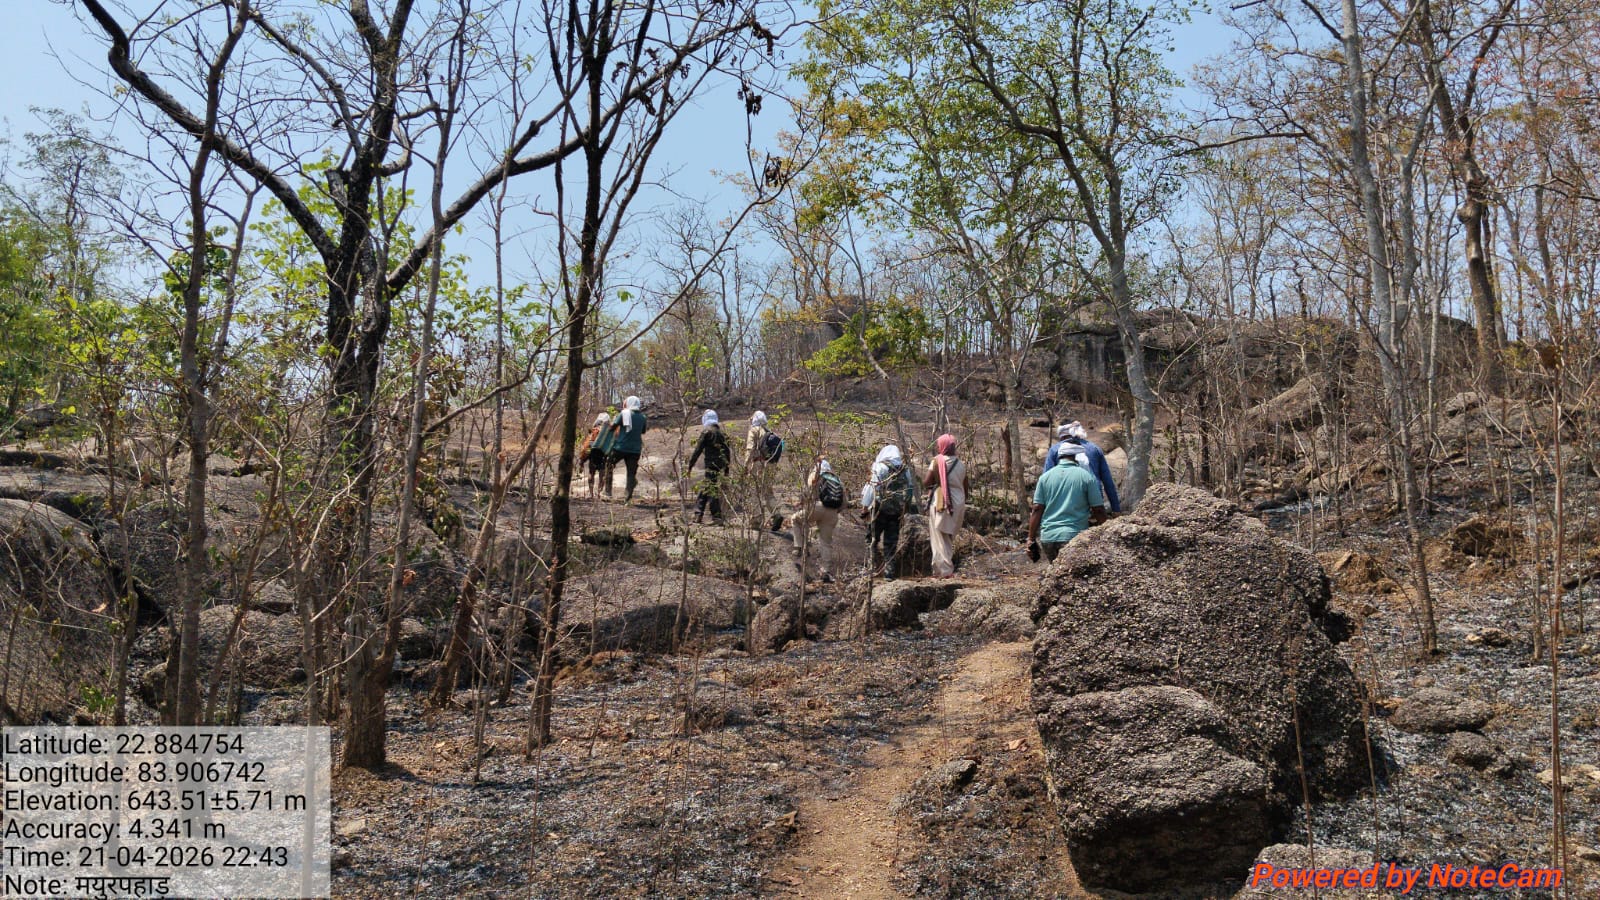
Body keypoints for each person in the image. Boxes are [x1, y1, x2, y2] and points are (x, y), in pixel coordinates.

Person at [1028, 444, 1107, 563]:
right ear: (1077, 457)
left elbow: (1037, 509)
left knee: (1056, 573)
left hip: (1048, 538)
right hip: (1073, 537)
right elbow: (1098, 510)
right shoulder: (1086, 477)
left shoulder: (1044, 478)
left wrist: (1031, 539)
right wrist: (1107, 531)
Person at [861, 444, 915, 581]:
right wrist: (905, 508)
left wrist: (865, 507)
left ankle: (870, 569)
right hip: (896, 511)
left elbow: (870, 488)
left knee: (871, 540)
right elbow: (909, 490)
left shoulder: (880, 467)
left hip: (879, 510)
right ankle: (889, 574)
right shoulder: (904, 470)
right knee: (891, 544)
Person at [1043, 420, 1121, 513]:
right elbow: (1108, 482)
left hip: (1066, 505)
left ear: (1062, 434)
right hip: (1094, 505)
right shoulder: (1094, 449)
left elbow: (1046, 481)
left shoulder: (1055, 450)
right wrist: (1116, 509)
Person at [921, 433, 967, 578]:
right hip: (958, 502)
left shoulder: (937, 462)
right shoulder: (961, 464)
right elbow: (966, 487)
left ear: (942, 446)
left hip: (942, 502)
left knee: (939, 537)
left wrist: (939, 482)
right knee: (947, 537)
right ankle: (940, 569)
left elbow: (927, 482)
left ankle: (945, 571)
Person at [793, 457, 843, 581]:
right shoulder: (837, 480)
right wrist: (834, 511)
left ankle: (799, 547)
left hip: (818, 506)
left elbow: (807, 493)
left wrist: (802, 503)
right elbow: (844, 503)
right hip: (833, 513)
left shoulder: (815, 475)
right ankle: (825, 571)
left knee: (795, 519)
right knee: (825, 542)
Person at [685, 409, 730, 524]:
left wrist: (690, 466)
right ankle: (698, 514)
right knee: (706, 487)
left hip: (711, 465)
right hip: (719, 466)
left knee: (711, 489)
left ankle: (717, 516)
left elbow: (697, 450)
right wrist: (726, 469)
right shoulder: (722, 434)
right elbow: (727, 452)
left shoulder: (706, 432)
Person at [605, 395, 648, 503]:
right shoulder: (643, 417)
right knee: (631, 473)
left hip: (620, 447)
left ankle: (608, 492)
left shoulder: (623, 414)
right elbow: (643, 431)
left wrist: (609, 424)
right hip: (635, 450)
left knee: (609, 464)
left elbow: (612, 428)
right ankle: (627, 498)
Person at [745, 410, 779, 530]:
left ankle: (756, 519)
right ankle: (776, 514)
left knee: (753, 491)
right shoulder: (769, 432)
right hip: (771, 464)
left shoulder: (754, 430)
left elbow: (750, 450)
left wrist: (746, 466)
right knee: (768, 492)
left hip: (758, 463)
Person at [580, 412, 612, 498]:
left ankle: (591, 494)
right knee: (602, 474)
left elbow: (587, 446)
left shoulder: (594, 431)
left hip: (593, 454)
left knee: (591, 473)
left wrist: (582, 460)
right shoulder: (609, 432)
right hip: (603, 455)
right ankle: (599, 493)